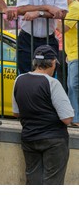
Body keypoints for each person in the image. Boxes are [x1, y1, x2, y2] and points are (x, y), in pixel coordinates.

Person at [12, 45, 74, 184]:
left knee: (33, 183)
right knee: (52, 185)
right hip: (54, 141)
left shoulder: (19, 80)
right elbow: (67, 118)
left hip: (29, 138)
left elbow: (16, 113)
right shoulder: (52, 83)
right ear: (52, 63)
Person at [16, 0, 68, 74]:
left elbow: (62, 13)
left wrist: (38, 13)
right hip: (27, 38)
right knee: (26, 75)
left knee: (48, 77)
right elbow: (21, 9)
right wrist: (46, 7)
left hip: (48, 39)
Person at [58, 0, 79, 127]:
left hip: (76, 54)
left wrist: (51, 15)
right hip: (72, 53)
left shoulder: (74, 7)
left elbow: (63, 28)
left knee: (73, 85)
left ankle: (76, 119)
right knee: (71, 85)